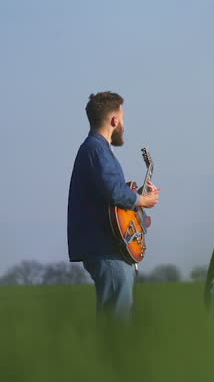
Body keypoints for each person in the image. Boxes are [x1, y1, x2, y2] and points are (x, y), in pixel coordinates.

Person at [67, 91, 161, 319]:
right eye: (123, 119)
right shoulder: (96, 149)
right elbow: (113, 191)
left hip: (109, 249)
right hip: (107, 250)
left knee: (118, 318)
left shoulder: (96, 149)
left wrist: (137, 197)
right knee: (116, 323)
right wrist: (143, 200)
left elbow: (108, 198)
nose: (124, 126)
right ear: (114, 120)